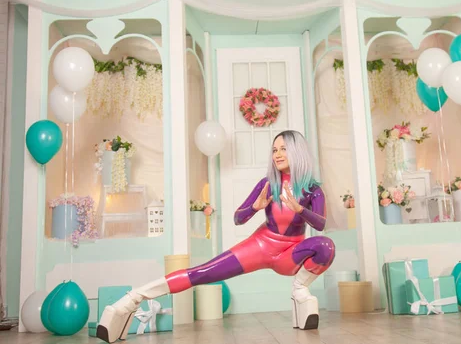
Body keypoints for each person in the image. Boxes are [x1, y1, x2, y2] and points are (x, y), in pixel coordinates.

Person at [97, 130, 335, 343]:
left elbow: (321, 225)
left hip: (290, 254)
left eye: (284, 149)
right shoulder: (267, 183)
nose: (277, 154)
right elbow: (237, 218)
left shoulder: (312, 189)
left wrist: (300, 210)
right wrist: (255, 207)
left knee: (326, 247)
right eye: (274, 149)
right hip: (261, 246)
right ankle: (132, 298)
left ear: (297, 151)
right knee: (203, 272)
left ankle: (299, 290)